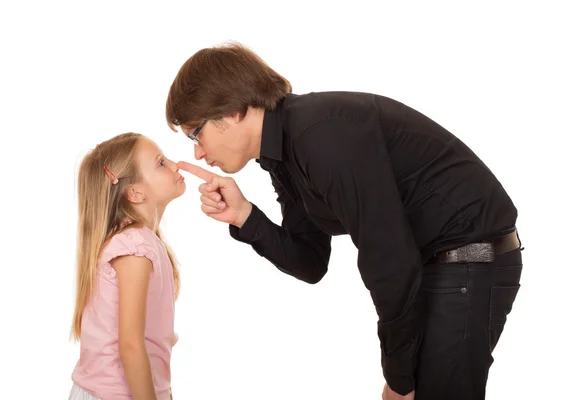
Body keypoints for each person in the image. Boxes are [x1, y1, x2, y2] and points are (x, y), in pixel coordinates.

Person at [165, 42, 523, 400]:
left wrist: (400, 380)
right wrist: (245, 216)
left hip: (468, 258)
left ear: (232, 112)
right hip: (436, 265)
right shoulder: (282, 155)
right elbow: (310, 262)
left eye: (196, 133)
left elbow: (388, 259)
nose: (197, 151)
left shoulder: (319, 135)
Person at [69, 132, 185, 400]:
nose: (175, 165)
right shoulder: (134, 247)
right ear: (135, 193)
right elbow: (131, 346)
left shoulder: (142, 241)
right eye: (161, 163)